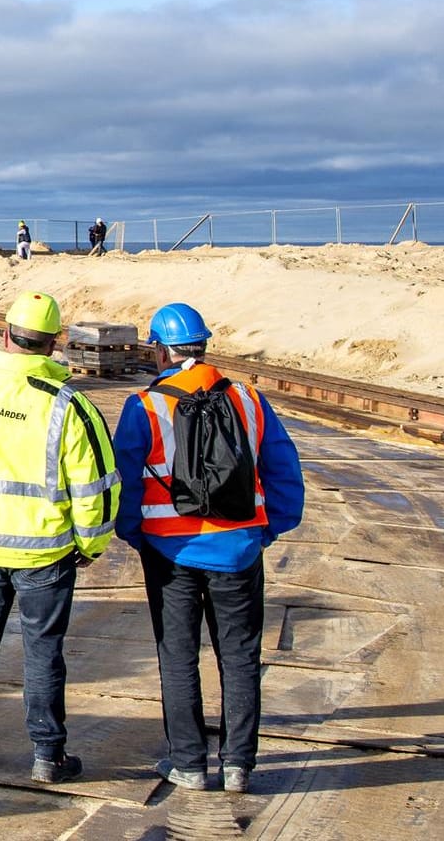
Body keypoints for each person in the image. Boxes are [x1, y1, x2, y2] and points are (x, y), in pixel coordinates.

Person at [0, 291, 118, 784]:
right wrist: (90, 545)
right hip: (44, 552)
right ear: (54, 346)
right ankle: (47, 756)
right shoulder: (67, 406)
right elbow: (96, 487)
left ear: (5, 334)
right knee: (42, 651)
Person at [114, 303, 304, 795]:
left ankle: (189, 764)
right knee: (240, 656)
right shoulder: (249, 399)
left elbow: (126, 484)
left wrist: (136, 534)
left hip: (170, 553)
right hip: (240, 550)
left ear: (160, 350)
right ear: (202, 346)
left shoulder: (145, 405)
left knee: (177, 655)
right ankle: (239, 765)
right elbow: (283, 468)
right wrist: (268, 529)